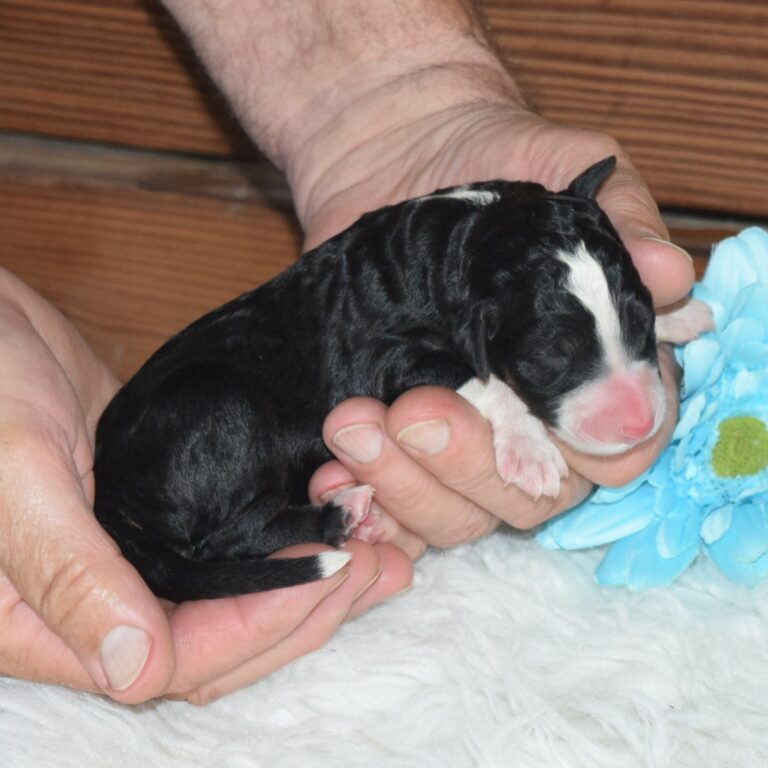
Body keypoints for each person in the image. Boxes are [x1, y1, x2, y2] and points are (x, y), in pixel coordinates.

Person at [0, 0, 694, 705]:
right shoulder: (421, 296)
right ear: (482, 330)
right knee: (227, 412)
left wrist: (401, 101)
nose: (634, 406)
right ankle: (263, 533)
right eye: (561, 358)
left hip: (202, 451)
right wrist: (505, 410)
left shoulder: (468, 268)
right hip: (159, 456)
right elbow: (409, 369)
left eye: (633, 328)